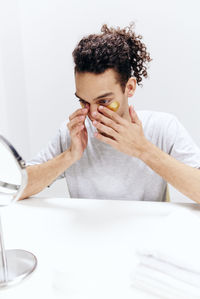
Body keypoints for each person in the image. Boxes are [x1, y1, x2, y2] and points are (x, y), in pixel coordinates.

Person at [20, 24, 200, 202]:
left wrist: (143, 149)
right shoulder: (73, 134)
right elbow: (17, 188)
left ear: (129, 87)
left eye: (104, 101)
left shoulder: (163, 128)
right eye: (83, 101)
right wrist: (69, 156)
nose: (92, 114)